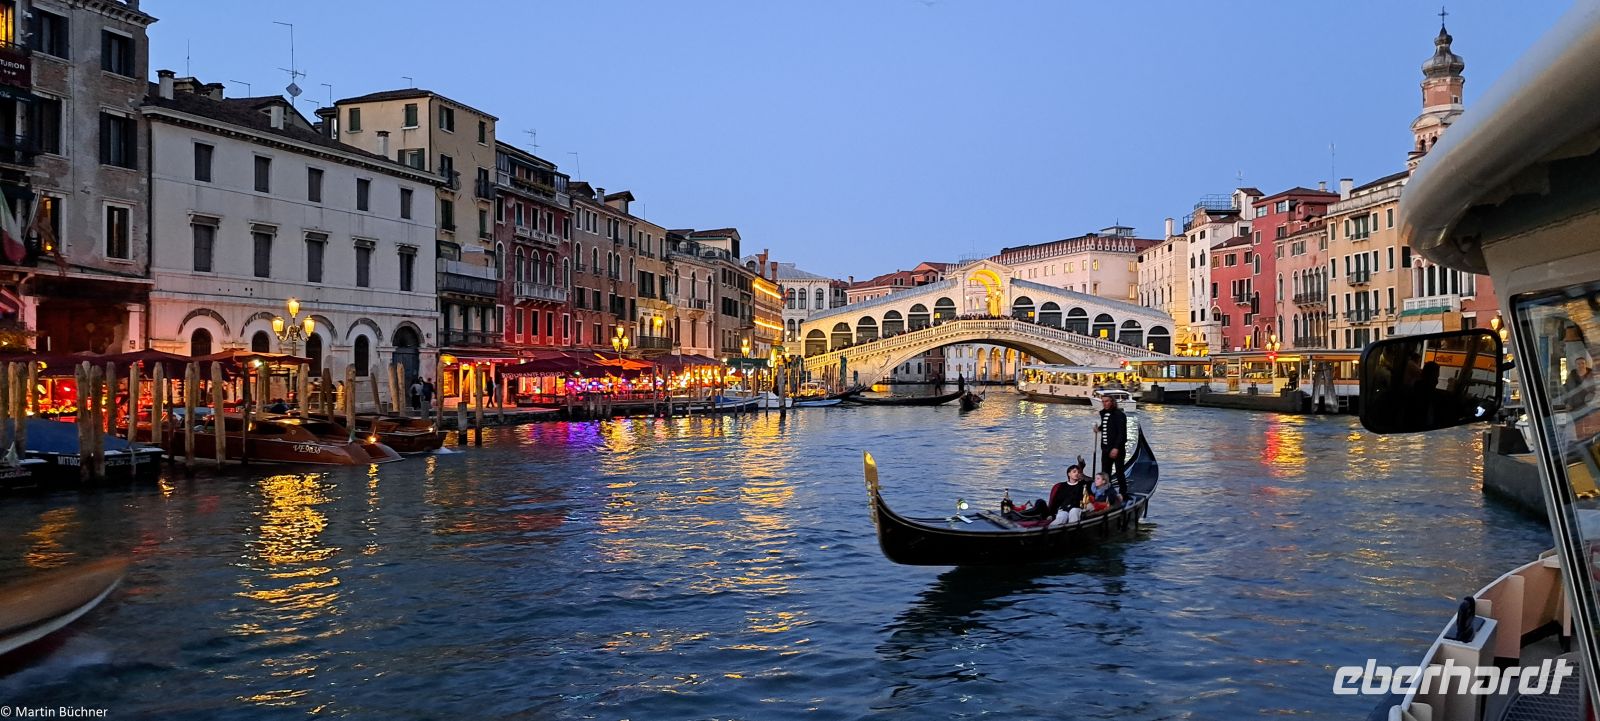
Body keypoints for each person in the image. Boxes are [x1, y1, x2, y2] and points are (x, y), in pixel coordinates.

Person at [1094, 394, 1129, 501]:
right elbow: (1107, 426)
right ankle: (1106, 493)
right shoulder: (1104, 414)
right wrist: (1098, 429)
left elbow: (1121, 433)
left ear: (1112, 402)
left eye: (1107, 401)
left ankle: (1123, 493)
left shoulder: (1119, 415)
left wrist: (1116, 448)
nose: (1105, 403)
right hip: (1105, 448)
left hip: (1117, 449)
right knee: (1105, 473)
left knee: (1119, 472)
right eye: (1103, 401)